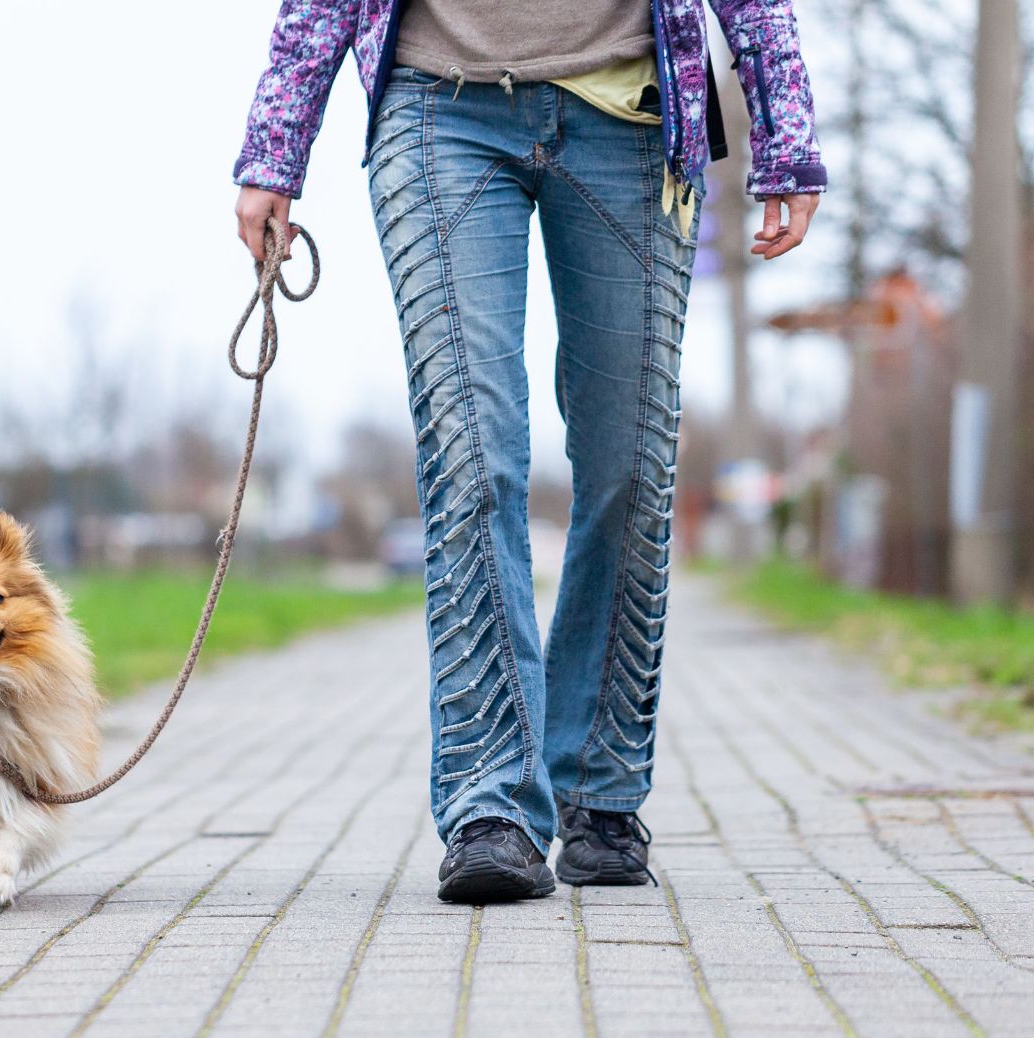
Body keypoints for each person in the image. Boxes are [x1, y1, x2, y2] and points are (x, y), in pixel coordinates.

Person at [233, 1, 825, 903]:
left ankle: (600, 791)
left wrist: (786, 135)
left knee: (634, 465)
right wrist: (275, 152)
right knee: (471, 457)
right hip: (439, 109)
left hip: (629, 117)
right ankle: (492, 807)